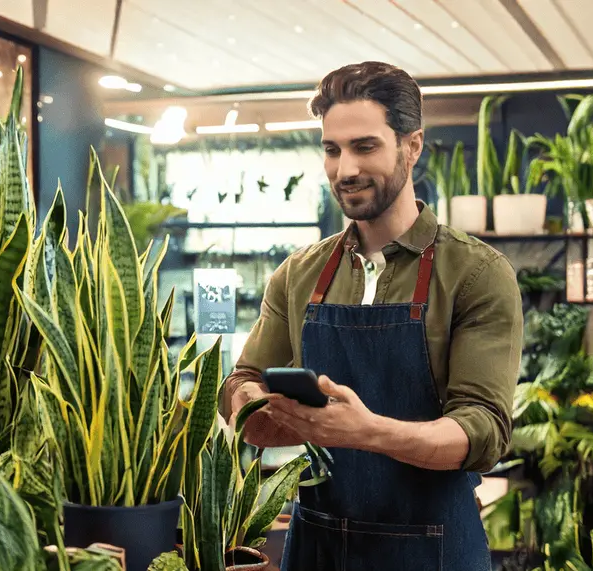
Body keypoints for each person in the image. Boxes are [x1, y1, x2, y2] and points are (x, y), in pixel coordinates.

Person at [218, 61, 523, 570]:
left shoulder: (475, 273)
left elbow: (482, 430)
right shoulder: (298, 274)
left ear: (412, 146)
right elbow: (241, 379)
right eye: (332, 150)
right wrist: (255, 409)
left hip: (434, 549)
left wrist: (364, 431)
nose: (345, 170)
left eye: (365, 146)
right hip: (317, 546)